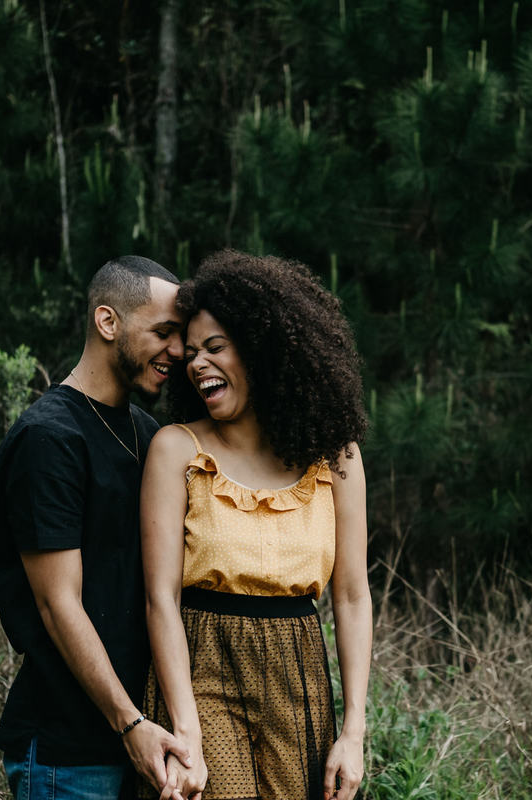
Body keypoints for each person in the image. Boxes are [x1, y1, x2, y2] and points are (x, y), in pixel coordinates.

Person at [141, 250, 372, 800]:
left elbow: (353, 595)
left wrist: (355, 729)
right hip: (204, 668)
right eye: (191, 352)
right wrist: (186, 729)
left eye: (216, 348)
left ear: (264, 351)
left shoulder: (335, 457)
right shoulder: (177, 450)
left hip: (299, 674)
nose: (197, 364)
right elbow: (160, 599)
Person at [0, 256, 193, 800]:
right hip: (69, 757)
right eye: (163, 332)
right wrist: (130, 724)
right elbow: (60, 605)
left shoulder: (148, 434)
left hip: (142, 748)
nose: (178, 350)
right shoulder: (49, 438)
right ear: (108, 323)